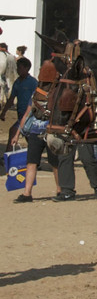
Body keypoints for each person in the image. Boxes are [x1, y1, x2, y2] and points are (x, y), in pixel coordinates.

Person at [7, 61, 51, 202]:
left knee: (54, 163)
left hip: (45, 127)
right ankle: (27, 192)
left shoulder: (35, 84)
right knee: (31, 161)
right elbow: (20, 107)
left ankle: (61, 191)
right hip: (30, 125)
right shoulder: (24, 86)